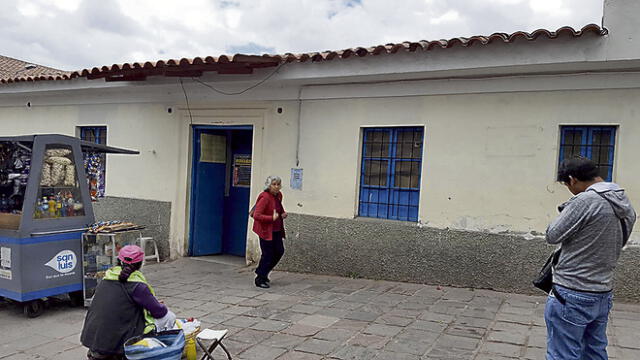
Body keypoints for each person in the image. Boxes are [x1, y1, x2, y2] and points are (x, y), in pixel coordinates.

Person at [544, 157, 636, 360]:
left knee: (563, 353)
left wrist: (568, 207)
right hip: (602, 291)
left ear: (572, 179)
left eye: (567, 185)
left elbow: (552, 234)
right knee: (594, 351)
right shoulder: (623, 201)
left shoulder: (585, 200)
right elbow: (619, 241)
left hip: (571, 291)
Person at [81, 245, 175, 360]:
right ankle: (155, 352)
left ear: (118, 261)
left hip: (93, 337)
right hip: (117, 341)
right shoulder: (137, 285)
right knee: (169, 317)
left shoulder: (106, 278)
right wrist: (155, 305)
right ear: (140, 264)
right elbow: (160, 312)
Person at [252, 175, 287, 288]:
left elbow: (278, 208)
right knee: (267, 254)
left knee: (279, 251)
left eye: (278, 184)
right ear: (269, 185)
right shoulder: (265, 197)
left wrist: (282, 214)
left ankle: (263, 272)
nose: (276, 187)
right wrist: (270, 218)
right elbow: (257, 215)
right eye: (274, 184)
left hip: (276, 229)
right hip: (265, 230)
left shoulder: (278, 196)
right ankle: (260, 278)